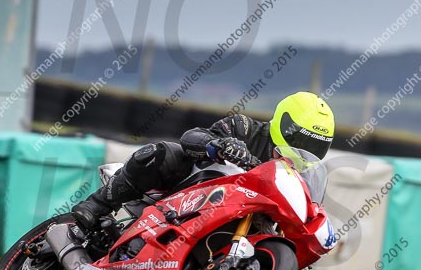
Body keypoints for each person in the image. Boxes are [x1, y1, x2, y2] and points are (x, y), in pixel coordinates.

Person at [72, 91, 335, 231]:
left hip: (240, 219)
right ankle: (96, 204)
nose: (304, 150)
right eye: (301, 140)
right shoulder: (245, 127)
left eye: (314, 146)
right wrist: (220, 145)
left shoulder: (300, 175)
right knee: (164, 153)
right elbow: (192, 137)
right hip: (188, 194)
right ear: (284, 124)